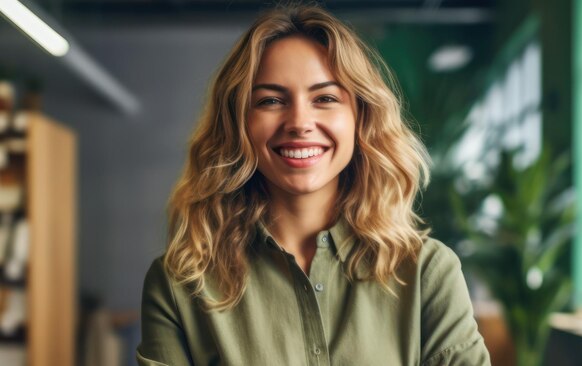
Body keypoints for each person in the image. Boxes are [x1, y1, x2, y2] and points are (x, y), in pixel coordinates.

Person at [136, 5, 490, 366]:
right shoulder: (179, 285)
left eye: (325, 98)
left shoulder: (427, 273)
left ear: (360, 117)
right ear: (239, 123)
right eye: (270, 100)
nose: (299, 122)